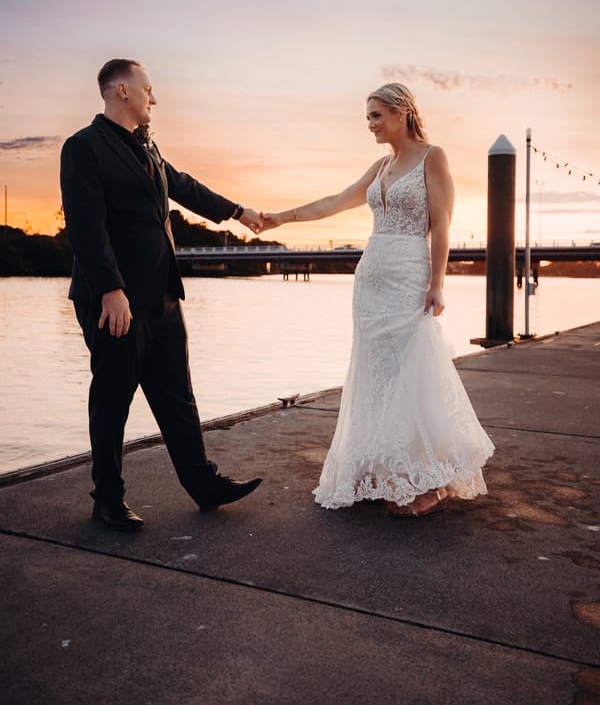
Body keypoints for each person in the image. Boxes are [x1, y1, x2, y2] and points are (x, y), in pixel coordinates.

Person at [261, 83, 494, 516]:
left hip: (409, 274)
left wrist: (438, 282)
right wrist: (283, 217)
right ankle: (383, 466)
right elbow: (336, 201)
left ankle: (433, 478)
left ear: (402, 112)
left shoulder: (433, 156)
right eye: (367, 118)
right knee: (378, 373)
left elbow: (442, 225)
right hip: (371, 278)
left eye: (376, 116)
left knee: (413, 369)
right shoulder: (381, 165)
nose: (370, 125)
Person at [60, 58, 263, 530]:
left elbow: (184, 186)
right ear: (122, 90)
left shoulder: (147, 149)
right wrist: (111, 289)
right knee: (112, 399)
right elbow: (86, 227)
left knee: (177, 396)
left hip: (163, 296)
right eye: (149, 89)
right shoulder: (83, 148)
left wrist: (237, 211)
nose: (156, 98)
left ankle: (203, 484)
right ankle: (107, 499)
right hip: (116, 301)